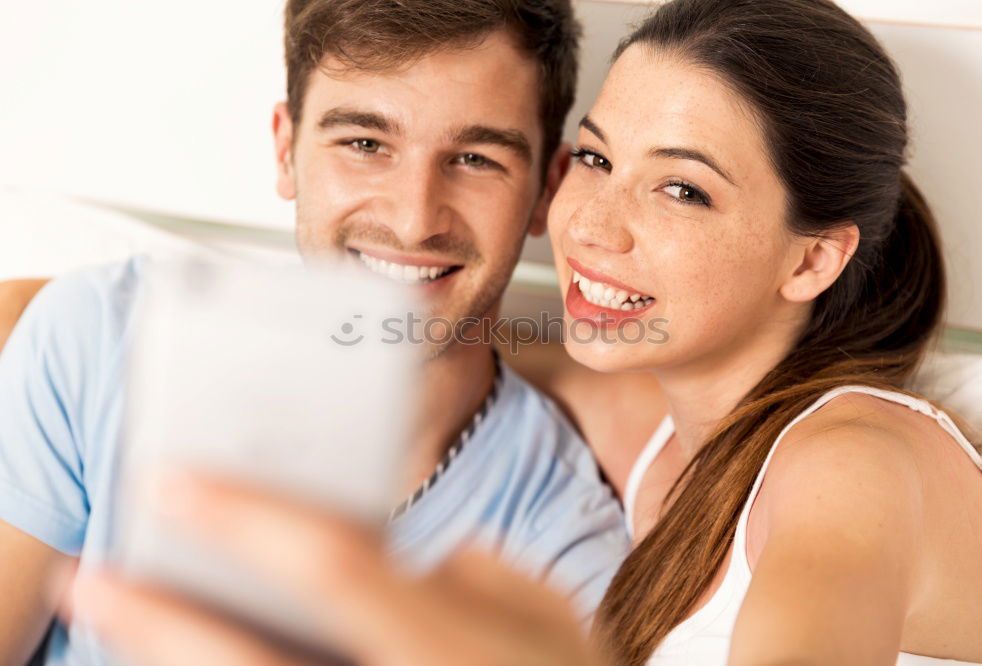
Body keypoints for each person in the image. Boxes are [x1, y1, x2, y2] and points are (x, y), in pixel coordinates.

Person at [62, 0, 982, 664]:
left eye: (681, 187)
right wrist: (43, 310)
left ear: (811, 260)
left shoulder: (851, 462)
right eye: (595, 156)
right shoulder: (642, 419)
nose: (591, 224)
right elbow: (431, 318)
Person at [0, 1, 633, 664]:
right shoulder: (95, 339)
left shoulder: (564, 558)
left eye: (474, 158)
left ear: (546, 190)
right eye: (365, 144)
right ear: (285, 147)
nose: (415, 219)